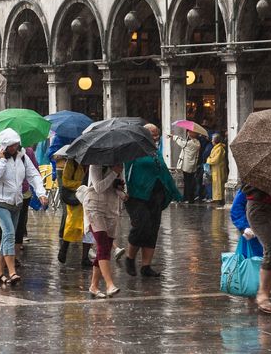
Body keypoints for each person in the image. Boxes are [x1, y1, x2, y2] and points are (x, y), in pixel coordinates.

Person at [0, 128, 47, 286]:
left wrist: (41, 193)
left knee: (9, 236)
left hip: (16, 201)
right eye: (11, 145)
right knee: (9, 234)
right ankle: (12, 271)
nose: (14, 148)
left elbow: (33, 175)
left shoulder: (22, 157)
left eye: (16, 145)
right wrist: (2, 161)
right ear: (4, 145)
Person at [123, 124, 181, 277]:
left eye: (157, 134)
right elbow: (123, 171)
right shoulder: (133, 149)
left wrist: (174, 192)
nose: (156, 138)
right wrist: (123, 189)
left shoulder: (156, 152)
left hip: (155, 195)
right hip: (136, 195)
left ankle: (146, 266)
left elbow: (163, 172)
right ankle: (130, 258)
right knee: (141, 226)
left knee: (152, 230)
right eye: (152, 135)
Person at [80, 164, 127, 298]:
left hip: (112, 208)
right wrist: (113, 173)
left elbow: (116, 188)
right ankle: (109, 284)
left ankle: (94, 286)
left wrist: (122, 192)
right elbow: (98, 187)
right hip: (94, 206)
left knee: (105, 250)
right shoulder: (95, 165)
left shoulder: (120, 164)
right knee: (102, 245)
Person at [244, 183, 271, 314]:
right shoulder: (258, 172)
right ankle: (262, 296)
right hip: (258, 209)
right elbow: (245, 191)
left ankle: (265, 293)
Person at [57, 150, 93, 268]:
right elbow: (66, 182)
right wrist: (82, 185)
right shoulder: (71, 163)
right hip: (76, 198)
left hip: (90, 199)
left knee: (89, 227)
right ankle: (64, 247)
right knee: (72, 224)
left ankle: (85, 257)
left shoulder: (95, 163)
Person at [173, 130, 201, 202]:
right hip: (193, 165)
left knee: (188, 182)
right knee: (190, 182)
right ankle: (190, 198)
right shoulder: (197, 143)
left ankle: (187, 198)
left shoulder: (190, 143)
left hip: (187, 165)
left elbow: (182, 143)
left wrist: (174, 136)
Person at [207, 134, 228, 204]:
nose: (212, 141)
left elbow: (215, 160)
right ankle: (217, 198)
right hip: (215, 169)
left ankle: (219, 199)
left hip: (219, 169)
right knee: (216, 184)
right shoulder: (216, 148)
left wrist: (208, 160)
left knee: (219, 185)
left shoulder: (219, 149)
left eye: (213, 139)